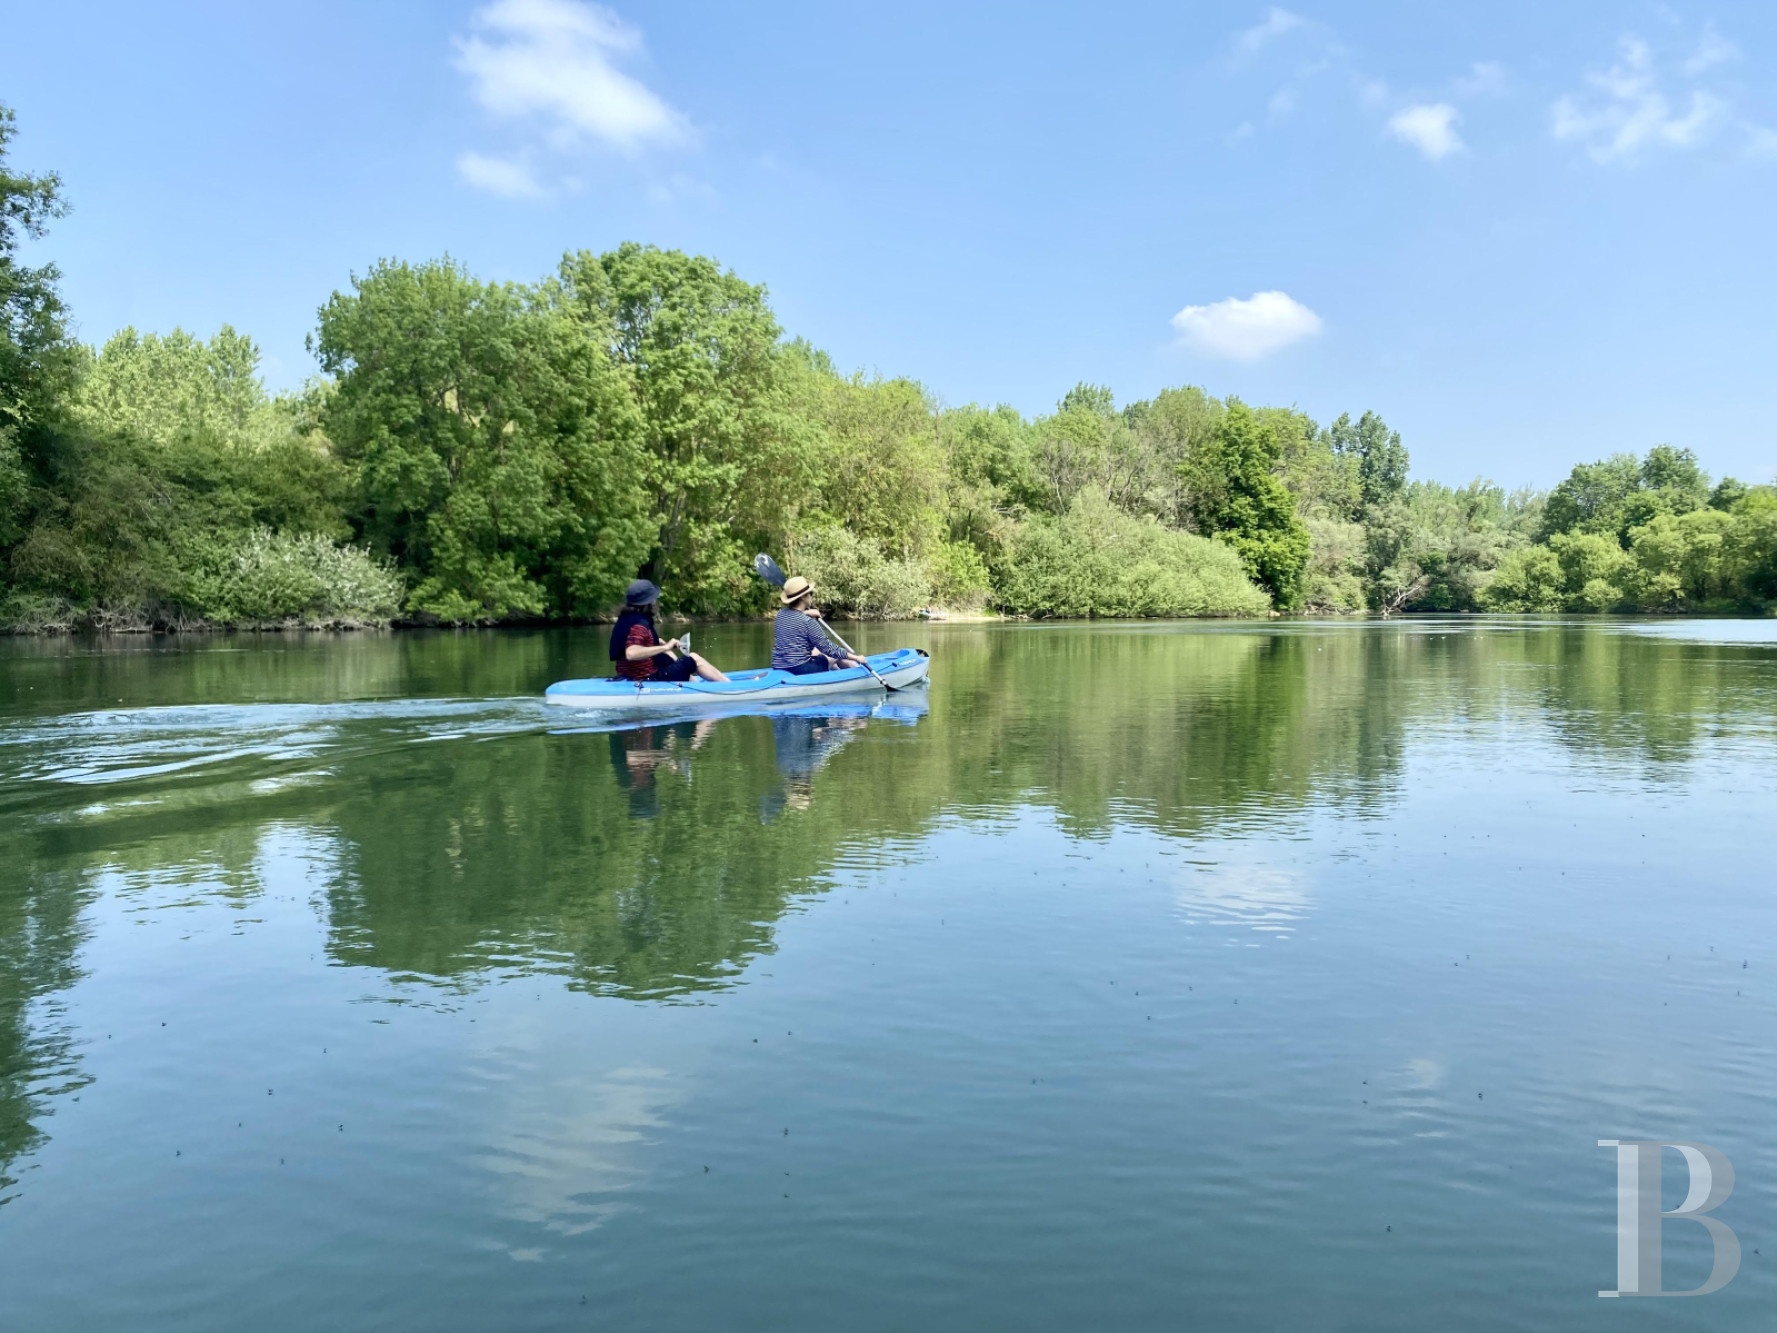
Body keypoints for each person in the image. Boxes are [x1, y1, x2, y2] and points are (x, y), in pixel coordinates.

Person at [611, 580, 729, 683]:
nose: (657, 602)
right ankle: (730, 687)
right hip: (647, 679)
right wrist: (666, 647)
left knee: (668, 655)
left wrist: (661, 644)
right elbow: (631, 653)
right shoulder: (639, 625)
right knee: (694, 658)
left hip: (628, 675)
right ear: (648, 602)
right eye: (654, 599)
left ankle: (693, 683)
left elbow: (635, 642)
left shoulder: (625, 619)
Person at [772, 576, 866, 675]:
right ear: (803, 597)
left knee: (817, 650)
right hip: (801, 670)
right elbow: (830, 649)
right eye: (810, 594)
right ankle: (857, 671)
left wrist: (806, 613)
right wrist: (856, 657)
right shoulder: (808, 622)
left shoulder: (780, 615)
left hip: (779, 666)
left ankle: (838, 674)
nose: (812, 597)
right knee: (836, 654)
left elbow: (795, 617)